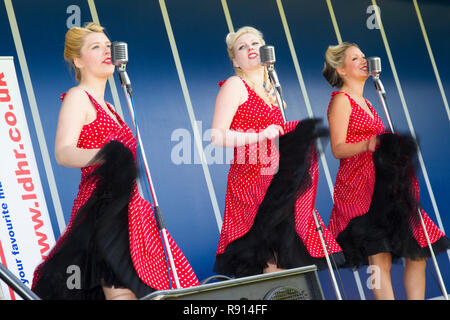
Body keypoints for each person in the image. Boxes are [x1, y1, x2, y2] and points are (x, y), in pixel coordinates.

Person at [31, 22, 198, 300]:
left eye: (108, 46)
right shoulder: (78, 97)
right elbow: (64, 152)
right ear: (78, 61)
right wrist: (107, 155)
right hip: (104, 206)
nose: (106, 51)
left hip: (133, 209)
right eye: (96, 47)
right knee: (120, 288)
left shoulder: (111, 108)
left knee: (154, 287)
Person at [211, 26, 344, 278]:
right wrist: (259, 135)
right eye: (242, 47)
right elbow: (217, 136)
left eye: (255, 44)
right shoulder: (235, 85)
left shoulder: (273, 90)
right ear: (234, 60)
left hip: (280, 179)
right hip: (252, 182)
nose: (251, 49)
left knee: (286, 256)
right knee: (266, 256)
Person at [323, 42, 450, 300]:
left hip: (386, 186)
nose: (363, 60)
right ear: (341, 69)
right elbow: (338, 148)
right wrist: (368, 144)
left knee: (418, 250)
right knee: (378, 258)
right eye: (355, 58)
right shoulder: (342, 101)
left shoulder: (369, 102)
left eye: (363, 56)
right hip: (363, 191)